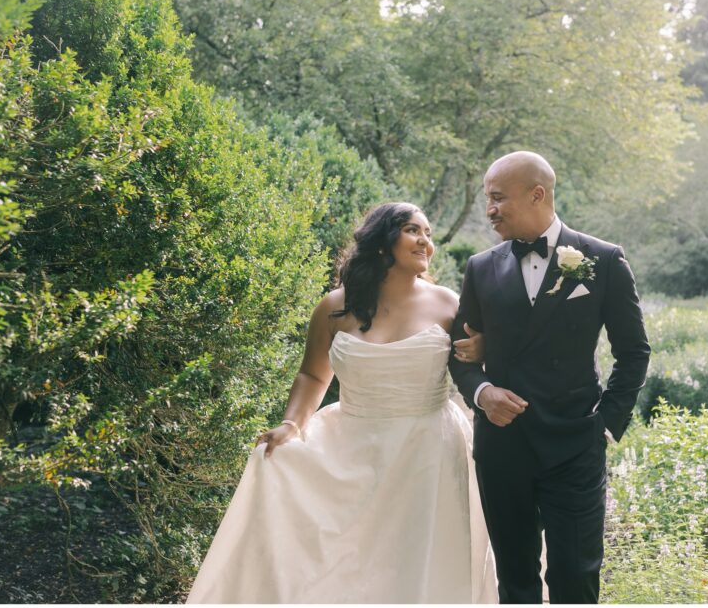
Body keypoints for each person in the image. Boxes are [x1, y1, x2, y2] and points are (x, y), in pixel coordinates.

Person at [188, 202, 498, 603]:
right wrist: (292, 424)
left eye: (428, 234)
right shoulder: (334, 308)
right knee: (347, 562)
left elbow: (475, 364)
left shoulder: (448, 304)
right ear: (383, 242)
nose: (425, 242)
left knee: (416, 563)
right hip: (352, 449)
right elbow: (313, 375)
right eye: (412, 230)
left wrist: (483, 348)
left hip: (429, 454)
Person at [449, 151, 650, 604]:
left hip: (574, 445)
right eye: (488, 199)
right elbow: (460, 355)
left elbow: (634, 351)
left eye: (498, 198)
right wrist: (482, 394)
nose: (490, 210)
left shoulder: (603, 259)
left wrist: (604, 424)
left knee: (575, 578)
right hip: (503, 448)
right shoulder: (480, 269)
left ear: (537, 194)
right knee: (516, 581)